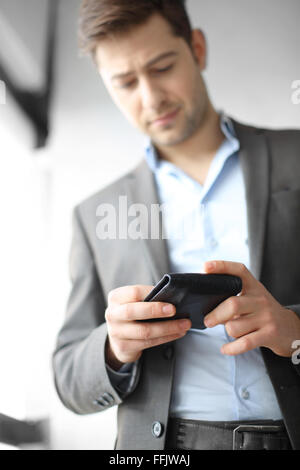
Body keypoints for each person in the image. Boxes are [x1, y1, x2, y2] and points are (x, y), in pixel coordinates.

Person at [52, 0, 300, 450]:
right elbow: (68, 377)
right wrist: (114, 348)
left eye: (162, 67)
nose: (150, 98)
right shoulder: (93, 215)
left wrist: (294, 332)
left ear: (197, 49)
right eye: (125, 83)